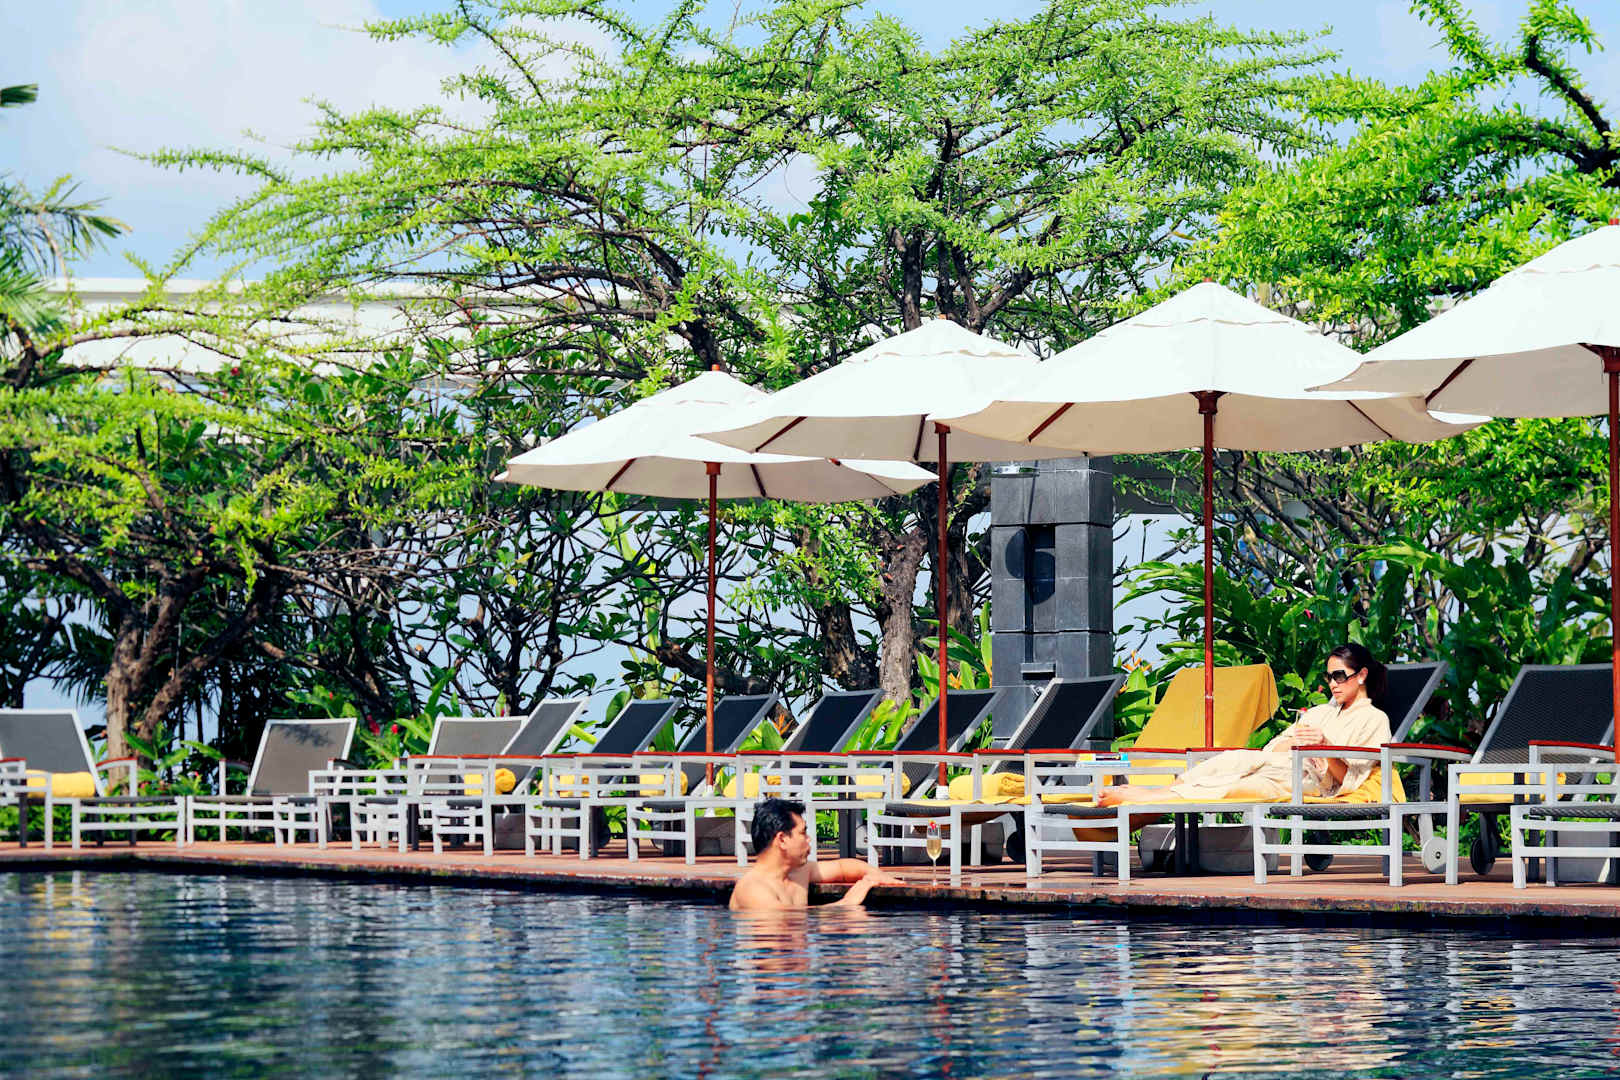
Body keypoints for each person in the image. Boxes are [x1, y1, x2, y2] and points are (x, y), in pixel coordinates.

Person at [1098, 643, 1392, 806]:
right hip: (1278, 764)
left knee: (1243, 786)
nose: (1332, 684)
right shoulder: (1319, 713)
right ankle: (1158, 793)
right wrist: (1291, 742)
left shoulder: (1374, 719)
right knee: (1230, 760)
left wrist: (1324, 746)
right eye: (1329, 677)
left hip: (1307, 782)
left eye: (1339, 676)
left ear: (1361, 675)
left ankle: (1150, 797)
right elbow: (1273, 747)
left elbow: (1349, 779)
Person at [728, 797, 903, 911]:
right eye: (803, 833)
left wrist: (878, 876)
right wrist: (846, 904)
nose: (809, 839)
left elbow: (843, 867)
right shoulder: (754, 889)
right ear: (782, 839)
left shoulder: (798, 872)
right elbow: (783, 921)